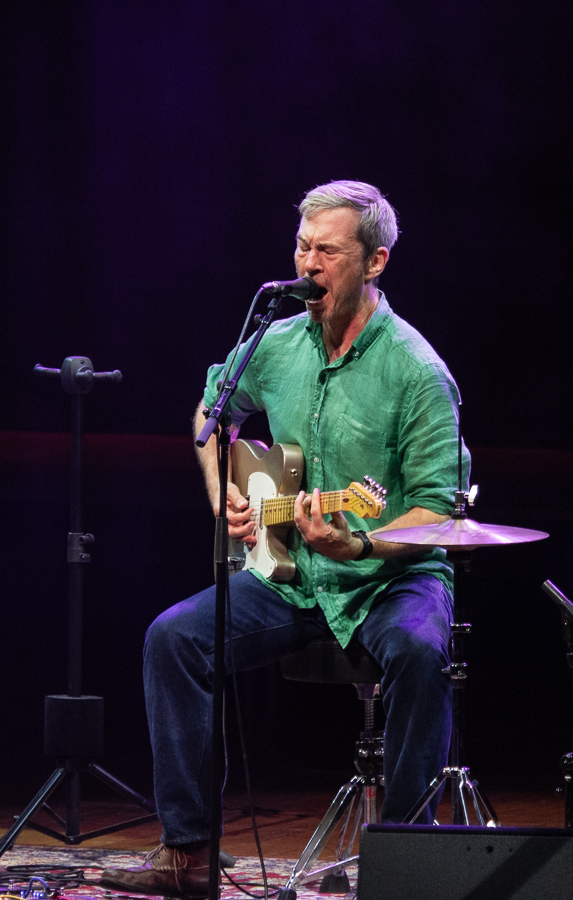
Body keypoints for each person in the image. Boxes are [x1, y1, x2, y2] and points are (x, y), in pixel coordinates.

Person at [101, 180, 470, 897]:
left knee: (423, 654)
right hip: (294, 575)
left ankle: (403, 859)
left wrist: (358, 546)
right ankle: (189, 853)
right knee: (173, 638)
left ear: (375, 262)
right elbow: (212, 413)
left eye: (327, 251)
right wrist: (224, 494)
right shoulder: (276, 343)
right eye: (302, 246)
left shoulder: (418, 372)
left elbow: (434, 512)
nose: (308, 264)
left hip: (392, 578)